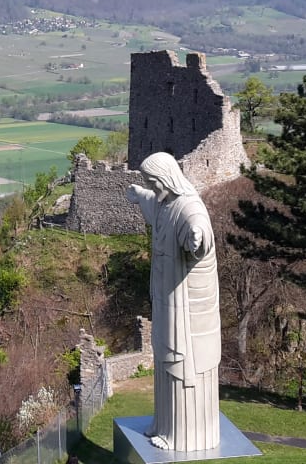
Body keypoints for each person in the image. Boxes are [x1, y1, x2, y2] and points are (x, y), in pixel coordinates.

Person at [126, 152, 221, 451]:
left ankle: (182, 435)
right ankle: (164, 424)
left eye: (152, 182)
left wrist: (198, 236)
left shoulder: (188, 206)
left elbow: (198, 224)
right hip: (167, 297)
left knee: (182, 362)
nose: (152, 188)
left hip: (186, 309)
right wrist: (140, 195)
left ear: (166, 178)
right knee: (164, 358)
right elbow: (154, 205)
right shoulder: (165, 202)